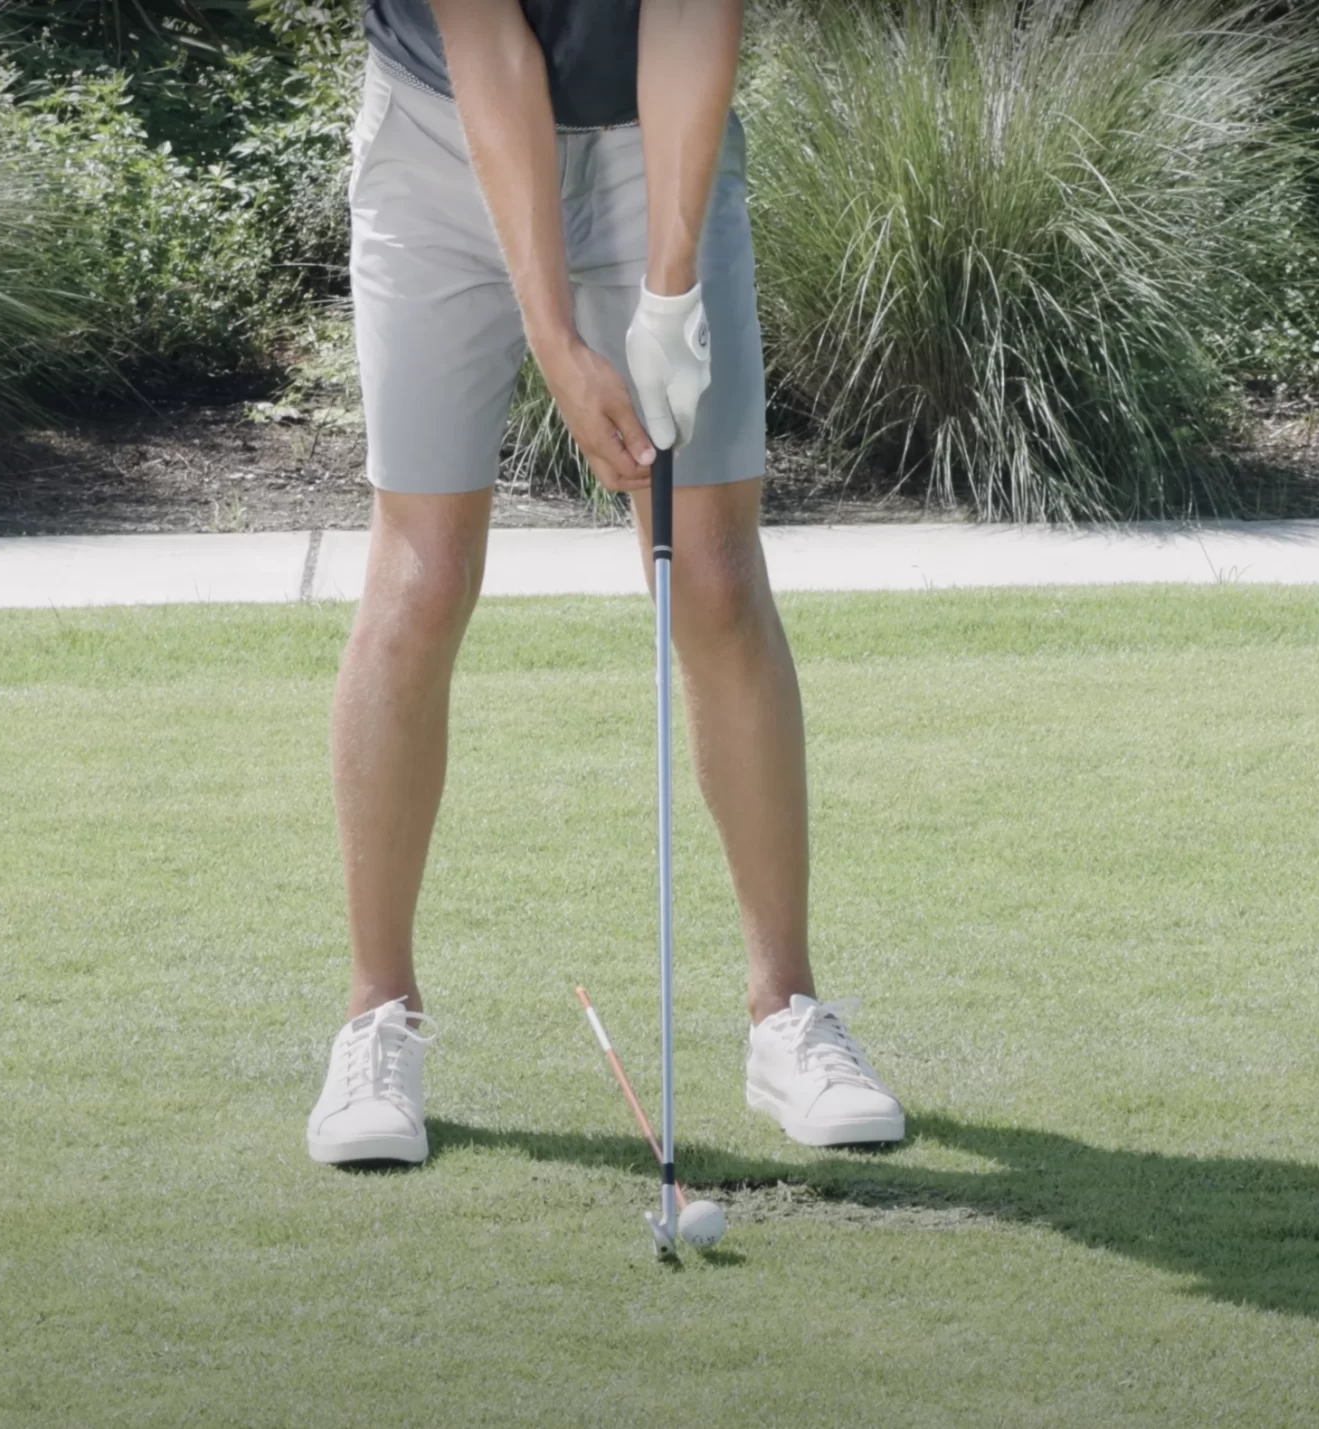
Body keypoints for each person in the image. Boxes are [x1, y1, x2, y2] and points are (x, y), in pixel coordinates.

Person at [306, 0, 905, 1166]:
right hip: (440, 129)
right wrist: (557, 340)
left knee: (714, 577)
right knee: (421, 579)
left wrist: (669, 294)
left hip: (655, 140)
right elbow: (487, 45)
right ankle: (374, 1017)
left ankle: (785, 1015)